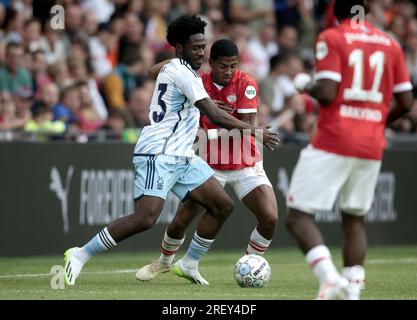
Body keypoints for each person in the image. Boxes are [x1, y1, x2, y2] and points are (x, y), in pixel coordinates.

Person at [63, 15, 279, 286]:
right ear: (179, 47)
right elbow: (214, 114)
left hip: (183, 155)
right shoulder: (183, 73)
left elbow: (155, 71)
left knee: (222, 205)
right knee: (145, 219)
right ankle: (80, 254)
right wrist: (255, 132)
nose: (201, 52)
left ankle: (188, 264)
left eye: (203, 46)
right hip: (159, 152)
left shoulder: (179, 68)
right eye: (195, 48)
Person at [285, 0, 413, 300]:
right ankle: (352, 291)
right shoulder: (389, 42)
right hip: (371, 143)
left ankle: (330, 280)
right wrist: (379, 121)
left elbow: (328, 92)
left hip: (335, 138)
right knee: (353, 220)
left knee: (298, 216)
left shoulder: (331, 37)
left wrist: (307, 85)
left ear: (333, 11)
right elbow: (406, 102)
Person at [135, 39, 278, 284]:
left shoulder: (247, 84)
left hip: (245, 162)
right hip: (208, 163)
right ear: (210, 64)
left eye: (233, 66)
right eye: (223, 66)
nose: (229, 71)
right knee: (182, 219)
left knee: (270, 218)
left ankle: (250, 265)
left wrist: (213, 117)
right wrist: (180, 61)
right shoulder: (195, 81)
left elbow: (244, 130)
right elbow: (152, 72)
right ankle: (164, 262)